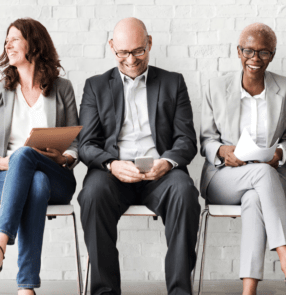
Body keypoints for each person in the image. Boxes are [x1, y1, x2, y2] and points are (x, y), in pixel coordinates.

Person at [78, 17, 200, 295]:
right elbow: (86, 144)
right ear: (112, 47)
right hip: (113, 172)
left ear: (150, 43)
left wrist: (166, 162)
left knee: (185, 193)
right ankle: (104, 292)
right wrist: (111, 164)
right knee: (91, 195)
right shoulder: (95, 86)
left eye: (138, 51)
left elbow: (186, 139)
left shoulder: (173, 82)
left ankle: (180, 291)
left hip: (160, 171)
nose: (131, 59)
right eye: (123, 52)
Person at [200, 23, 286, 295]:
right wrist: (222, 151)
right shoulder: (216, 87)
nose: (255, 58)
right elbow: (206, 139)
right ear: (238, 52)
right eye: (248, 51)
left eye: (263, 52)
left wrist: (279, 153)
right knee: (261, 175)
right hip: (224, 178)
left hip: (270, 180)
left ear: (272, 55)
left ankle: (248, 291)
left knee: (254, 198)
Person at [0, 18, 80, 294]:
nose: (8, 43)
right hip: (6, 178)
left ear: (35, 43)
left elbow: (77, 143)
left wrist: (63, 157)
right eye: (6, 39)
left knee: (30, 161)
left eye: (15, 38)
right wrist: (0, 162)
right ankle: (26, 287)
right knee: (33, 176)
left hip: (58, 174)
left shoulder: (62, 88)